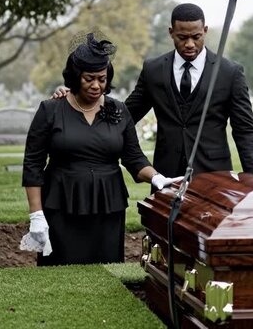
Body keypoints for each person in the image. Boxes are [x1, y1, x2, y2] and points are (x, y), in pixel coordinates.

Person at [22, 33, 180, 266]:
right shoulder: (51, 110)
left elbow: (133, 157)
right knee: (61, 272)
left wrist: (156, 178)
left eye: (102, 79)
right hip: (62, 203)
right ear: (76, 77)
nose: (96, 85)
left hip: (108, 205)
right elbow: (33, 164)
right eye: (89, 79)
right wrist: (36, 215)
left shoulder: (118, 111)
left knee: (106, 270)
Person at [54, 3, 253, 179]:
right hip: (165, 174)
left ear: (205, 31)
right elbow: (125, 115)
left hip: (214, 174)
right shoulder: (153, 69)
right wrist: (74, 98)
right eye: (182, 37)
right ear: (171, 32)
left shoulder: (230, 72)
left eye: (196, 37)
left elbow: (245, 131)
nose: (190, 44)